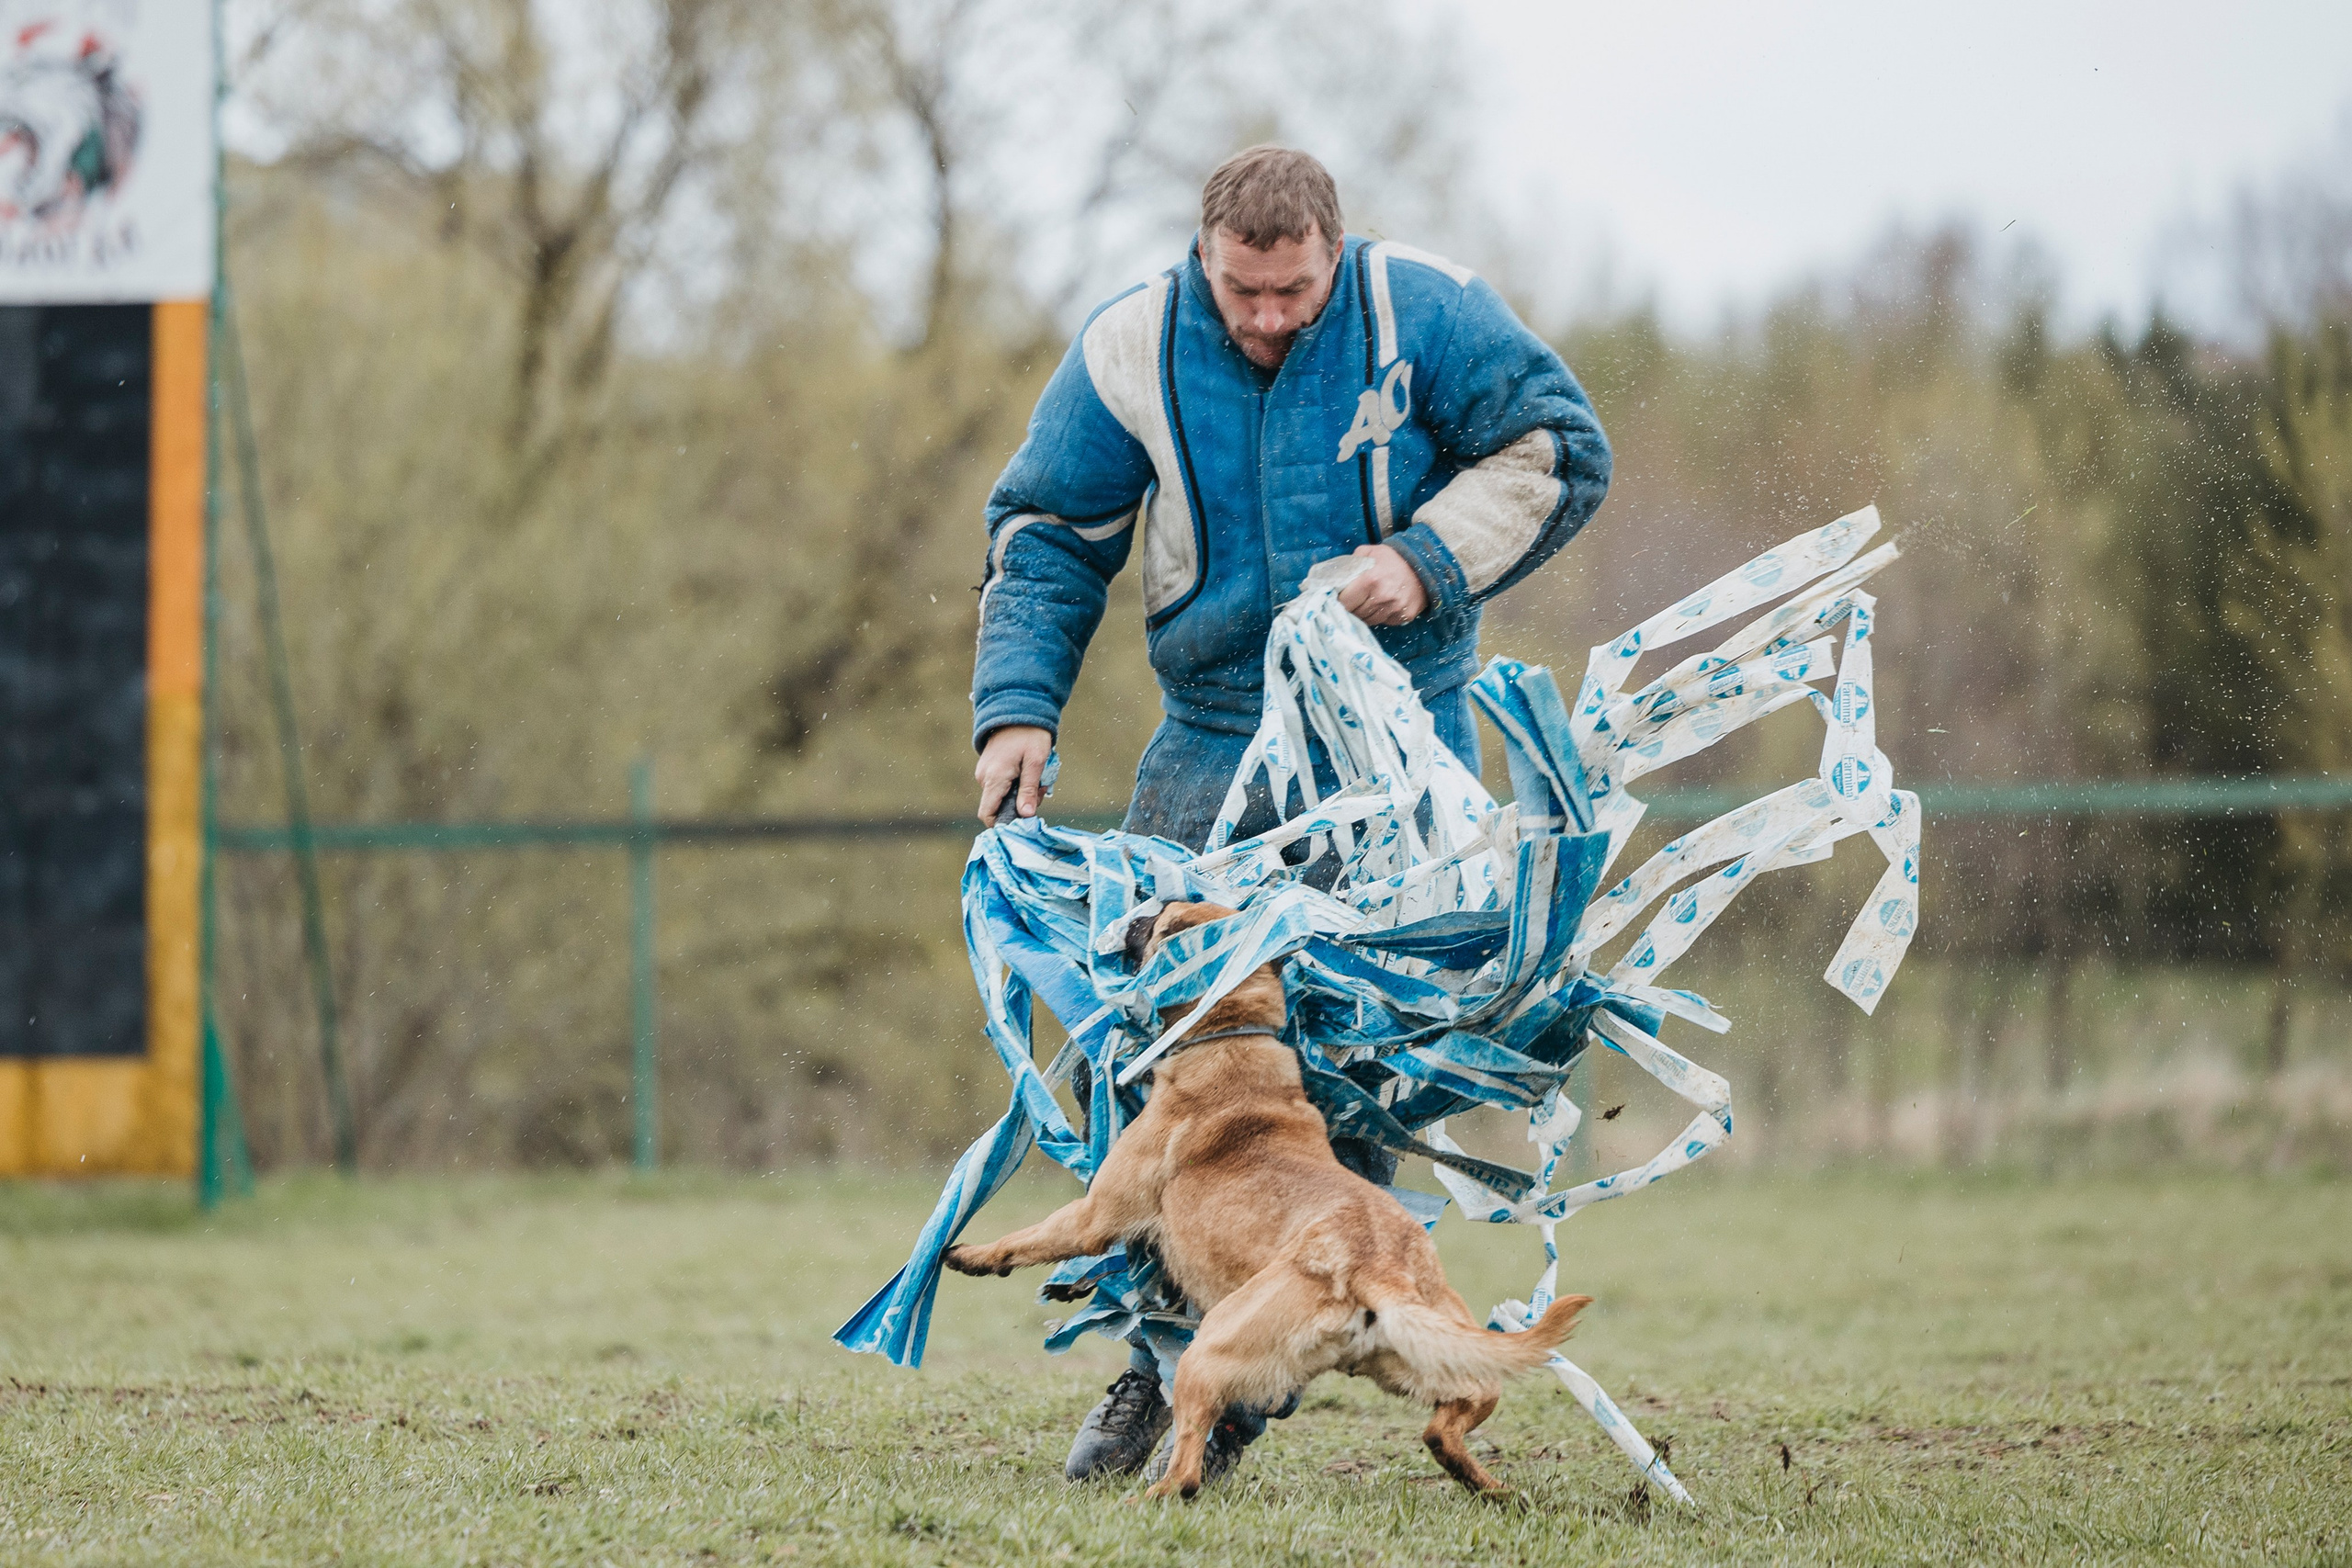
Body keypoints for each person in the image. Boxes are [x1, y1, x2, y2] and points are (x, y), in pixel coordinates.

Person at [967, 145, 1612, 1487]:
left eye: (1294, 291)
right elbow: (1046, 530)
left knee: (1355, 1073)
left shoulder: (1424, 312)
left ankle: (1258, 1369)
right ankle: (1159, 1367)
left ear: (1336, 251)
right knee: (1136, 1045)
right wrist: (1016, 707)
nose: (1268, 317)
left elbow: (1560, 448)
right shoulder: (1130, 346)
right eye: (1244, 291)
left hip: (1399, 738)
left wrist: (1420, 561)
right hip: (1212, 736)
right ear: (1207, 256)